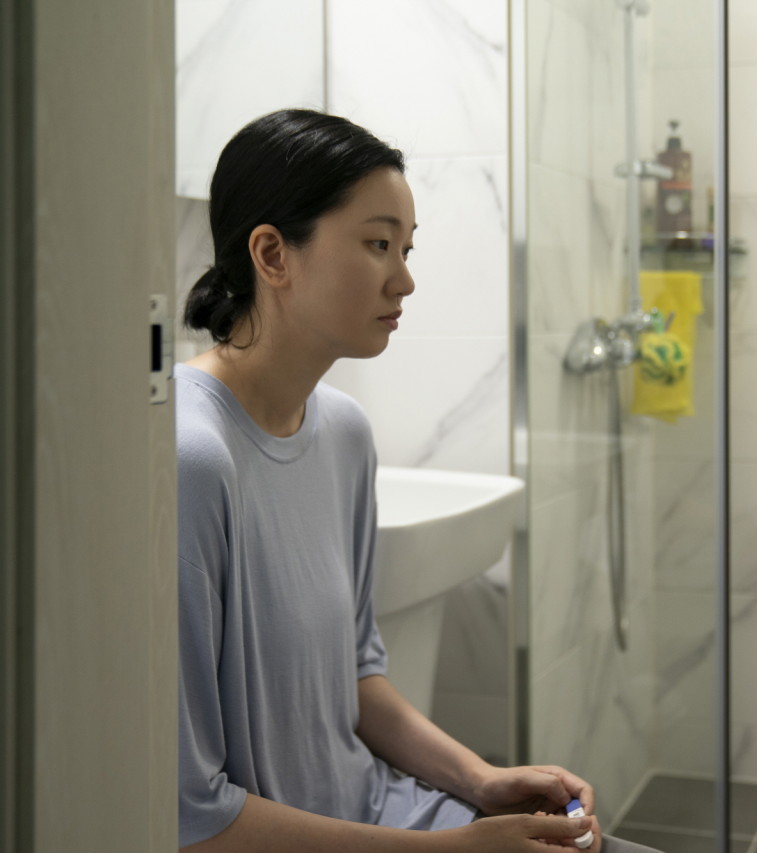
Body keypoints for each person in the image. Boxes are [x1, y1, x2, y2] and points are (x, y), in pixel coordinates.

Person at [176, 109, 661, 853]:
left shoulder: (342, 432)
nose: (404, 279)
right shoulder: (191, 457)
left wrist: (483, 781)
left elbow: (356, 677)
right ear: (273, 254)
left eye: (405, 248)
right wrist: (456, 850)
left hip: (382, 809)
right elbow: (191, 815)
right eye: (378, 244)